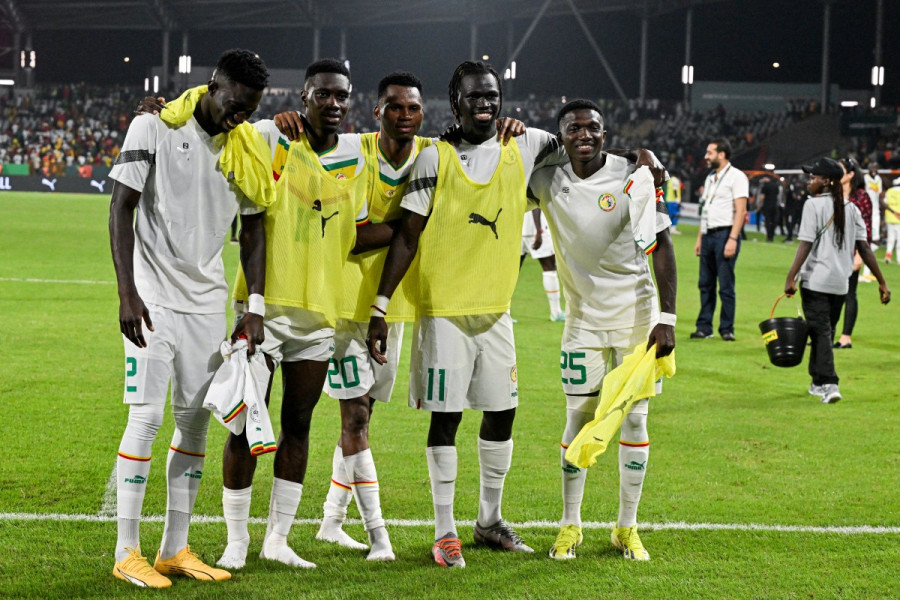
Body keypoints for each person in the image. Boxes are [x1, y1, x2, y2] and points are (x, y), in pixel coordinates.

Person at [269, 72, 524, 560]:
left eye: (413, 108)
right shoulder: (354, 150)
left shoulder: (433, 153)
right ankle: (378, 536)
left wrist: (507, 127)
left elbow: (475, 149)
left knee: (364, 412)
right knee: (355, 414)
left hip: (395, 306)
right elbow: (353, 235)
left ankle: (331, 520)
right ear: (377, 111)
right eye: (394, 107)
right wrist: (416, 224)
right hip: (345, 306)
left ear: (424, 113)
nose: (405, 116)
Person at [366, 60, 565, 568]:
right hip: (444, 313)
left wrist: (640, 158)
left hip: (497, 312)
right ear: (456, 102)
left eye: (492, 96)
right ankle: (444, 531)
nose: (485, 104)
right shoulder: (434, 157)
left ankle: (489, 521)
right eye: (475, 96)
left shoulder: (525, 143)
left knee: (502, 412)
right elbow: (407, 236)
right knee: (447, 417)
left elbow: (584, 147)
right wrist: (381, 306)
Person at [217, 58, 392, 571]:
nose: (333, 104)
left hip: (320, 314)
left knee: (298, 423)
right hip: (265, 309)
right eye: (323, 95)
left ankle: (278, 539)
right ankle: (235, 541)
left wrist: (411, 227)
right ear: (304, 97)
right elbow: (222, 132)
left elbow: (356, 231)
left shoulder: (356, 157)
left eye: (342, 96)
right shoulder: (270, 136)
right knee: (244, 424)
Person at [108, 48, 270, 588]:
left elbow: (254, 230)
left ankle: (174, 548)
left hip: (207, 302)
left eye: (250, 109)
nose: (239, 116)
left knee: (195, 423)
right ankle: (126, 551)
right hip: (153, 298)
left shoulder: (246, 146)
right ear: (212, 86)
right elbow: (121, 207)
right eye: (234, 104)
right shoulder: (153, 126)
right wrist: (128, 293)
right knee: (146, 418)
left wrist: (254, 308)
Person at [527, 99, 674, 562]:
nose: (584, 135)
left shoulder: (634, 176)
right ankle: (570, 524)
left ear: (605, 134)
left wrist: (667, 318)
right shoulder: (545, 178)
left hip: (637, 320)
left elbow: (662, 244)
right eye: (574, 129)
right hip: (582, 323)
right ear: (561, 136)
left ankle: (626, 527)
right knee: (578, 418)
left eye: (592, 128)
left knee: (635, 419)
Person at [784, 157, 890, 404]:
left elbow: (805, 244)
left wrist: (791, 276)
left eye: (813, 177)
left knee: (821, 332)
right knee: (824, 332)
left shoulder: (812, 205)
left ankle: (830, 383)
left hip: (816, 282)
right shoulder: (851, 209)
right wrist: (882, 282)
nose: (809, 181)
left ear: (827, 181)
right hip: (841, 283)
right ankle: (816, 382)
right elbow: (864, 248)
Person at [691, 139, 748, 341]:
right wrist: (700, 238)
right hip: (708, 235)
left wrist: (733, 238)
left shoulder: (737, 177)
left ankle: (726, 328)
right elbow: (705, 210)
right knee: (705, 284)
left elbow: (741, 210)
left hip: (725, 234)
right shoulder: (710, 179)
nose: (706, 157)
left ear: (722, 154)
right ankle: (704, 327)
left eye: (710, 153)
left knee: (725, 285)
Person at [833, 158, 871, 350]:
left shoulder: (861, 197)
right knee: (827, 294)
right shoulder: (832, 193)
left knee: (848, 293)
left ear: (850, 174)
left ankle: (845, 337)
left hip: (850, 252)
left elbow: (866, 228)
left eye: (840, 170)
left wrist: (859, 256)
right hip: (831, 251)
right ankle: (825, 333)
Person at [520, 208, 565, 321]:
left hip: (517, 228)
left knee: (512, 273)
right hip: (535, 229)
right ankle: (556, 313)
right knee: (549, 268)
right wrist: (539, 230)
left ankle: (503, 314)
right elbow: (535, 204)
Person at [861, 162, 885, 282]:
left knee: (874, 242)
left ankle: (866, 272)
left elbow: (879, 196)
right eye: (872, 167)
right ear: (868, 168)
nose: (874, 169)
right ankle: (863, 271)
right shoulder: (865, 178)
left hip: (875, 213)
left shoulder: (878, 179)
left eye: (876, 167)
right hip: (866, 212)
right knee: (869, 241)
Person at [884, 177, 900, 263]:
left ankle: (888, 256)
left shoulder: (889, 191)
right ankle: (899, 258)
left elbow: (884, 203)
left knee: (890, 238)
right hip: (899, 218)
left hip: (890, 217)